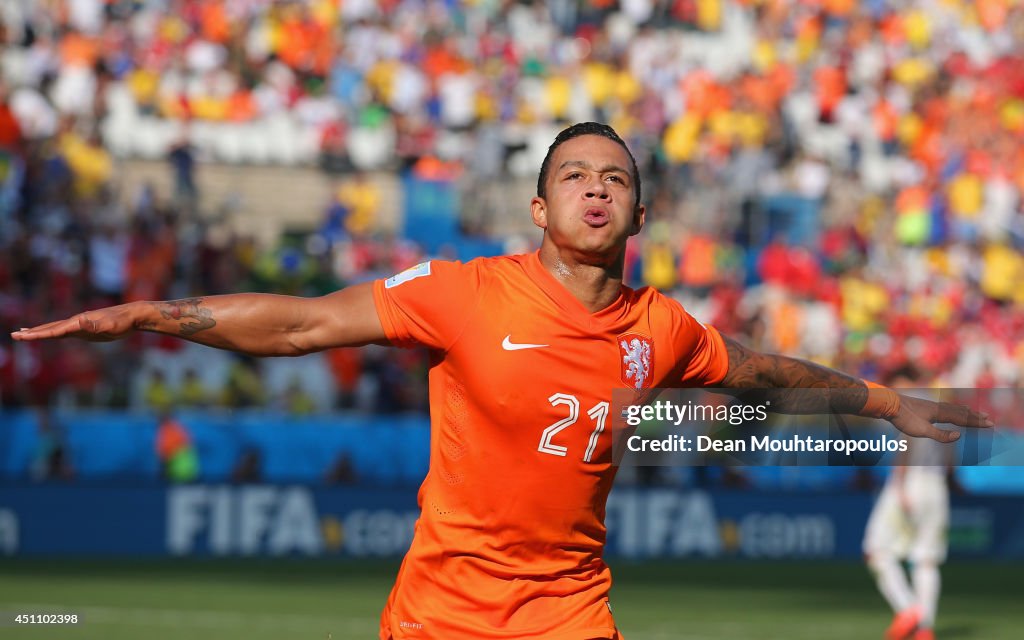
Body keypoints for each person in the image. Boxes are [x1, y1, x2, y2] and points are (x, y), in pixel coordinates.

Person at [11, 122, 989, 640]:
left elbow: (765, 373)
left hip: (571, 614)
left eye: (613, 176)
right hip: (441, 614)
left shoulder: (662, 327)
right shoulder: (462, 293)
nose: (595, 186)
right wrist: (147, 314)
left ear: (638, 211)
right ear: (537, 205)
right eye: (574, 174)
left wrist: (886, 399)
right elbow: (303, 320)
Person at [864, 369, 956, 640]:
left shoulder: (909, 403)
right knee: (926, 559)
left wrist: (901, 483)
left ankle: (908, 610)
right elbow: (951, 453)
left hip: (911, 481)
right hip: (936, 485)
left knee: (876, 551)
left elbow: (907, 442)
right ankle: (924, 628)